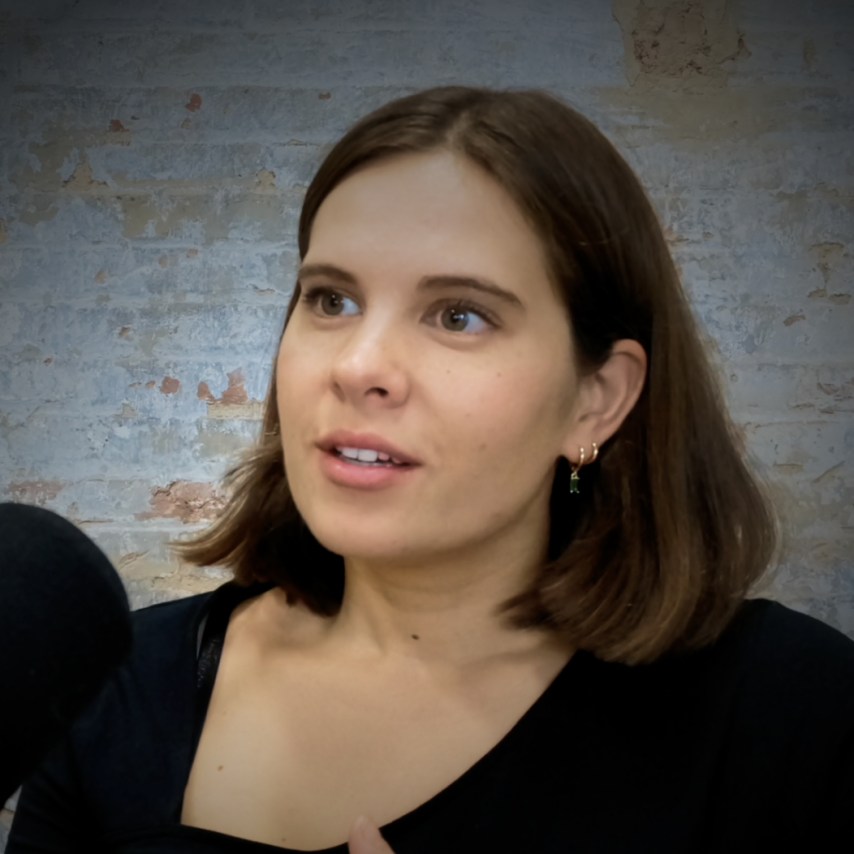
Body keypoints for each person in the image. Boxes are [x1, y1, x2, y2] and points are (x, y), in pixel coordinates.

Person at [7, 86, 854, 853]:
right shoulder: (114, 690)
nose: (359, 364)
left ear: (596, 400)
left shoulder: (790, 715)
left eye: (459, 315)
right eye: (330, 300)